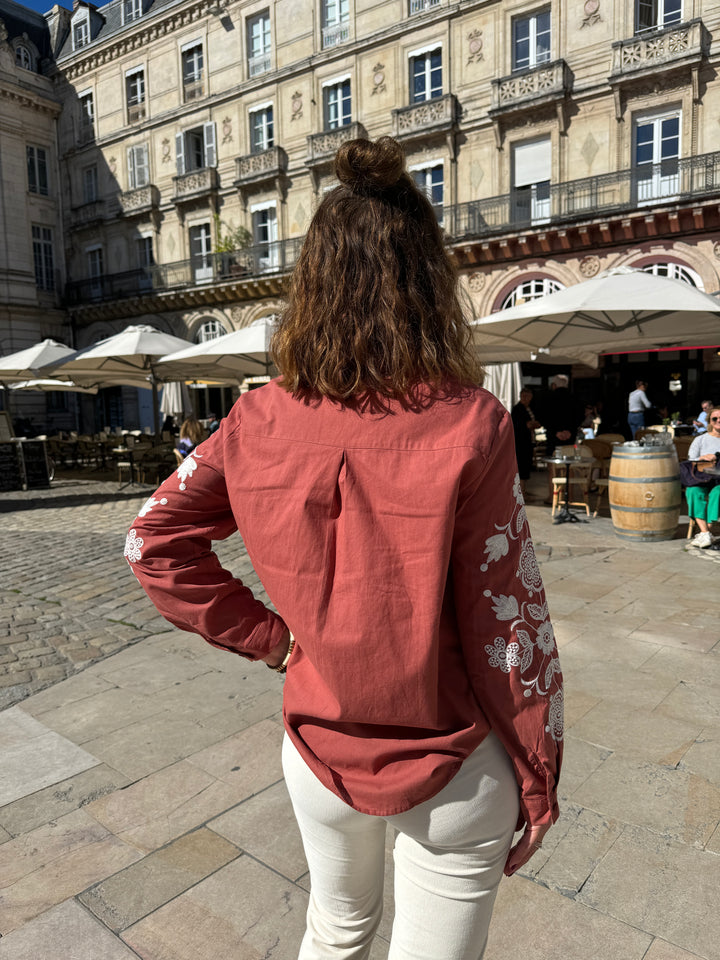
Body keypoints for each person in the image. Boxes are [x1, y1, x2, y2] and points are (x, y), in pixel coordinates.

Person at [125, 137, 562, 959]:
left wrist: (274, 638)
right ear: (428, 284)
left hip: (316, 744)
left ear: (312, 287)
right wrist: (538, 767)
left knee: (334, 934)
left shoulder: (255, 420)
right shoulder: (472, 423)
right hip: (454, 756)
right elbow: (509, 621)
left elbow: (150, 540)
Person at [686, 405, 720, 548]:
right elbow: (691, 459)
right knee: (693, 491)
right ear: (709, 421)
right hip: (701, 477)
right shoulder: (700, 439)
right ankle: (706, 533)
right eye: (715, 418)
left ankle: (706, 531)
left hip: (719, 479)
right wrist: (702, 457)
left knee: (718, 492)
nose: (718, 420)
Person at [511, 387, 540, 499]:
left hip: (528, 441)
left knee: (526, 465)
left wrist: (532, 424)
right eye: (524, 396)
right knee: (521, 467)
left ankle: (524, 490)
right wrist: (531, 424)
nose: (526, 398)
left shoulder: (529, 408)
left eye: (528, 396)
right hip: (520, 442)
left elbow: (536, 423)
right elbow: (524, 425)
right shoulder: (518, 409)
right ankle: (521, 492)